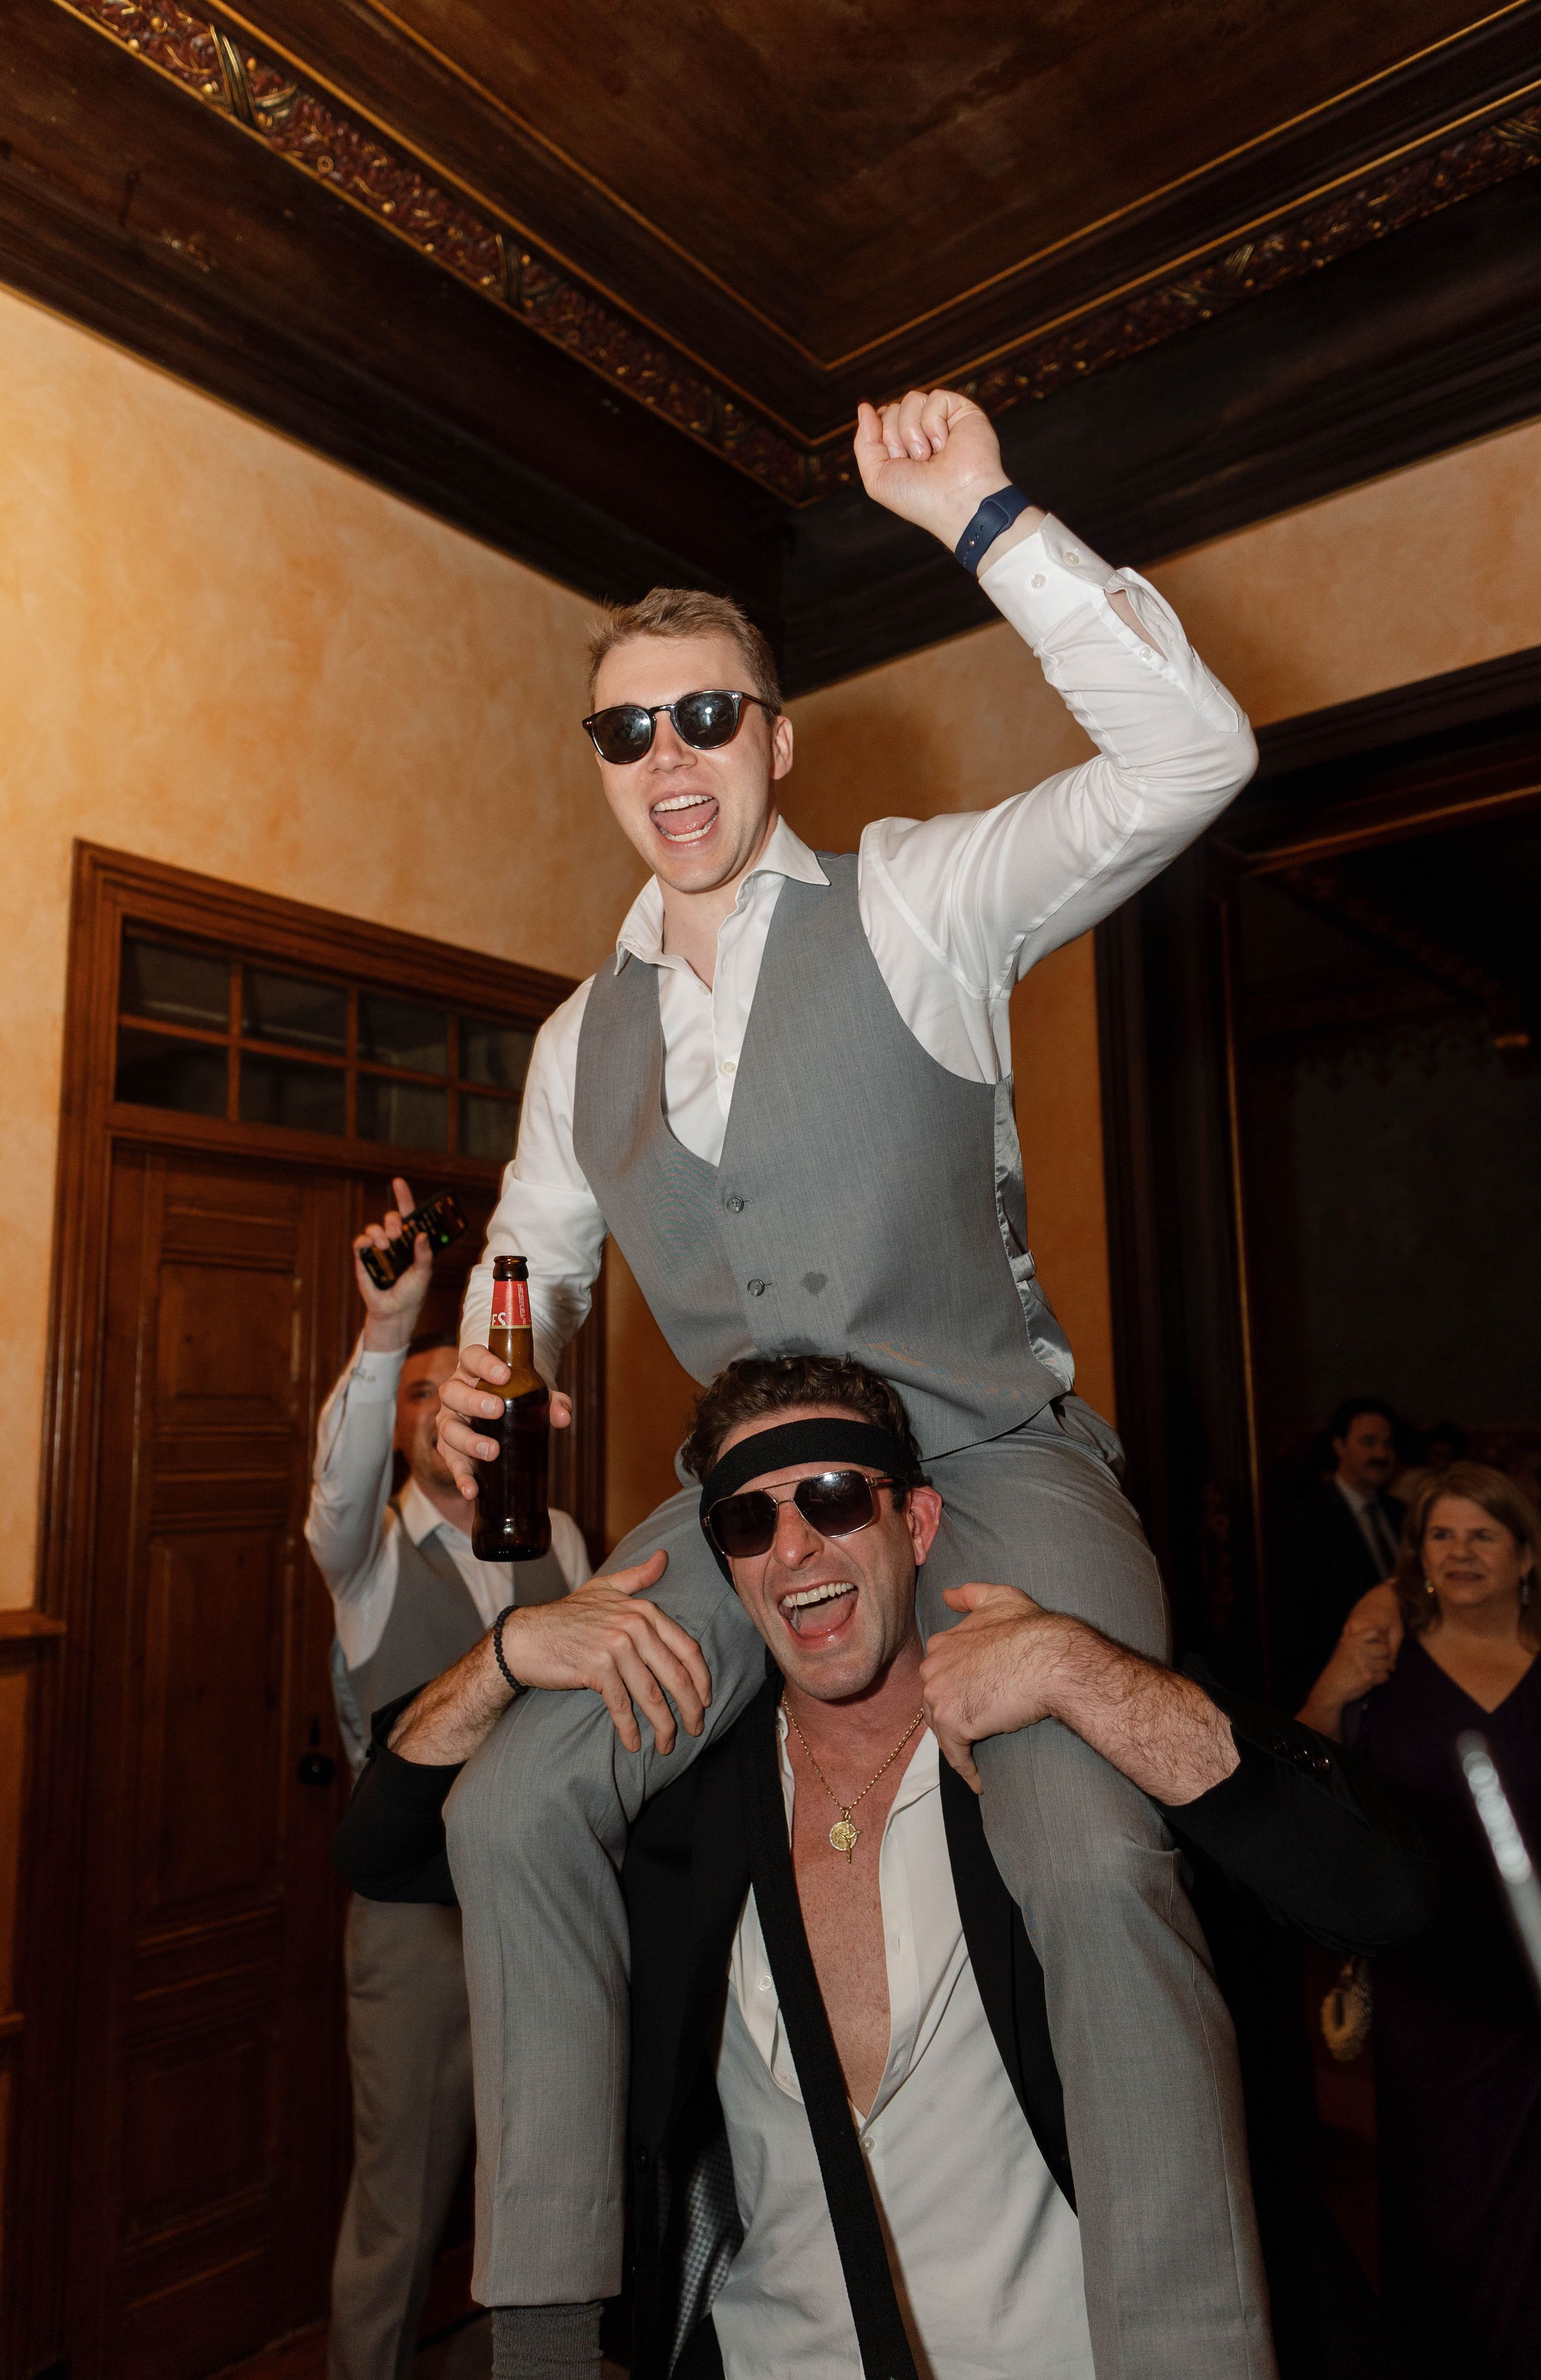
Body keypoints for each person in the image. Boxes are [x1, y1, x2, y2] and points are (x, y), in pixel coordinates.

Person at [431, 383, 1267, 2380]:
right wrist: (464, 1380)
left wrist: (982, 519)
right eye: (625, 730)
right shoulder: (578, 1041)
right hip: (738, 1499)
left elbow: (1190, 753)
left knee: (1074, 1841)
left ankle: (1180, 2344)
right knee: (515, 1803)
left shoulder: (915, 896)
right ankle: (553, 2332)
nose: (667, 758)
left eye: (703, 713)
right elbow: (523, 1278)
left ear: (773, 739)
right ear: (603, 768)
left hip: (984, 1451)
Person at [341, 1353, 1435, 2379]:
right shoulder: (682, 1807)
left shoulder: (1068, 1769)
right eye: (748, 1521)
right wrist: (503, 1658)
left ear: (916, 1523)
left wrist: (1081, 1673)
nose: (796, 1550)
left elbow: (1386, 1893)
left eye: (830, 1496)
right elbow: (385, 1852)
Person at [305, 1179, 591, 2380]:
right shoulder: (362, 1560)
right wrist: (388, 1334)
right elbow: (338, 1484)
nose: (436, 1410)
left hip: (539, 1918)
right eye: (417, 1397)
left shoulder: (563, 1543)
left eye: (450, 1387)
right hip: (414, 1935)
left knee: (544, 2200)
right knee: (399, 2213)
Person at [1298, 1461, 1541, 2380]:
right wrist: (1334, 1681)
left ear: (1525, 1556)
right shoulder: (1384, 1655)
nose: (1462, 1552)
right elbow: (1300, 1781)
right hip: (1432, 1989)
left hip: (1539, 1984)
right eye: (1442, 1534)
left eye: (1485, 1534)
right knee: (1441, 2210)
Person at [1273, 1398, 1405, 1707]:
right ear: (1340, 1447)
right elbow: (1295, 1619)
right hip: (1339, 1684)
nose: (1381, 1455)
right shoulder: (1306, 1517)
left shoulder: (1400, 1513)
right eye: (1369, 1443)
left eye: (1387, 1444)